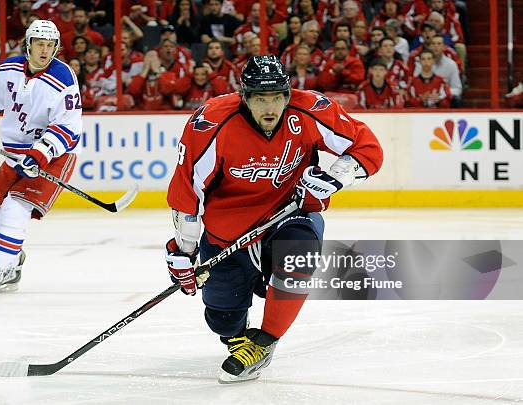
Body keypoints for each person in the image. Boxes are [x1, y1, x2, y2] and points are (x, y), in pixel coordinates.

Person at [164, 55, 383, 383]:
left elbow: (366, 147)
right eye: (260, 99)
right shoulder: (210, 123)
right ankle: (239, 340)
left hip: (290, 213)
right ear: (245, 96)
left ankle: (264, 342)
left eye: (278, 97)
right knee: (222, 315)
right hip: (228, 228)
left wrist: (339, 174)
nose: (271, 108)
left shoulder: (310, 110)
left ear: (287, 93)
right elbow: (187, 192)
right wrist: (183, 251)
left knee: (299, 252)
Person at [0, 20, 82, 299]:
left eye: (50, 45)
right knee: (0, 213)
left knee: (15, 209)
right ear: (28, 44)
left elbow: (69, 128)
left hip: (55, 155)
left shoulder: (64, 78)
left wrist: (40, 153)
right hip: (15, 152)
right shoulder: (9, 68)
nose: (45, 51)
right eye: (39, 44)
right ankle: (12, 262)